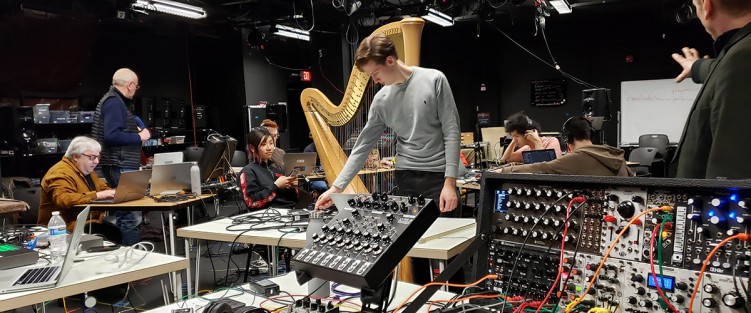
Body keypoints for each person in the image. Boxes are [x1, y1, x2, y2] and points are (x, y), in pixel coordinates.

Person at [315, 34, 461, 214]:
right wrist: (336, 188)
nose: (374, 80)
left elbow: (452, 132)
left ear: (390, 60)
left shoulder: (434, 80)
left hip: (439, 177)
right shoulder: (380, 100)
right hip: (405, 176)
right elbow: (362, 146)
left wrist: (450, 183)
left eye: (375, 73)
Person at [670, 0, 751, 179]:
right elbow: (721, 68)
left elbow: (733, 174)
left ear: (707, 6)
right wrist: (697, 66)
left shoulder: (742, 58)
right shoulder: (739, 52)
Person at [91, 68, 150, 245]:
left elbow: (125, 124)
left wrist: (138, 125)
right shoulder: (114, 102)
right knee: (130, 217)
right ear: (131, 85)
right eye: (136, 86)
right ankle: (131, 262)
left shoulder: (115, 101)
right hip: (120, 164)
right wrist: (140, 136)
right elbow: (112, 135)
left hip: (119, 163)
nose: (135, 90)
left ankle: (129, 259)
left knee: (129, 215)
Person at [38, 137, 120, 239]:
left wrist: (117, 192)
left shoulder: (87, 171)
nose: (97, 161)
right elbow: (63, 199)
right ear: (76, 156)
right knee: (110, 233)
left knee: (114, 232)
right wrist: (97, 195)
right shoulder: (59, 172)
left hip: (86, 222)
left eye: (98, 157)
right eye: (92, 157)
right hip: (61, 228)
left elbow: (102, 188)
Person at [495, 116, 633, 176]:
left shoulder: (577, 157)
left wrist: (503, 172)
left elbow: (543, 168)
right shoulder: (615, 155)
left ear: (567, 138)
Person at [239, 127, 300, 210]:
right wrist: (275, 186)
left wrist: (292, 187)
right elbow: (251, 202)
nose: (269, 148)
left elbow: (292, 200)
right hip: (268, 217)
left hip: (289, 211)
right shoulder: (248, 172)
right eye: (263, 144)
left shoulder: (276, 170)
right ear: (252, 148)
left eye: (271, 143)